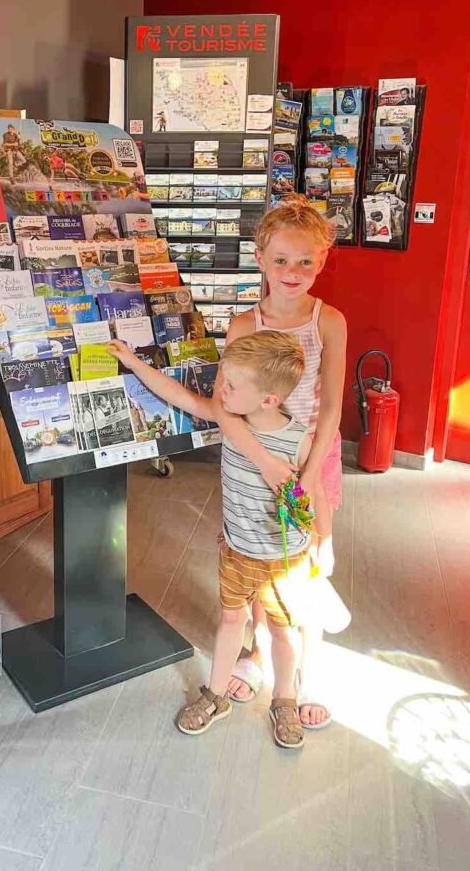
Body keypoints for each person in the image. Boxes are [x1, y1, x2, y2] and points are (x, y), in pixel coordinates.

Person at [109, 331, 320, 749]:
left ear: (268, 400)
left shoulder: (298, 441)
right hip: (236, 550)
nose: (220, 389)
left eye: (231, 385)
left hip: (284, 560)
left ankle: (284, 699)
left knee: (282, 632)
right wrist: (135, 365)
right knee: (230, 621)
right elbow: (182, 397)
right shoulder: (230, 417)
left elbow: (314, 498)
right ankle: (216, 694)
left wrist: (320, 542)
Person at [217, 195, 346, 728]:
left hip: (315, 453)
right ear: (260, 257)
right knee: (255, 557)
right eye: (281, 261)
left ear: (321, 262)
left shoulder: (329, 321)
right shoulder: (244, 325)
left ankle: (304, 677)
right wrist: (267, 466)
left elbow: (334, 404)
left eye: (305, 262)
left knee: (309, 564)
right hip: (255, 461)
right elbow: (228, 409)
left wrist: (311, 474)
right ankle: (253, 654)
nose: (292, 273)